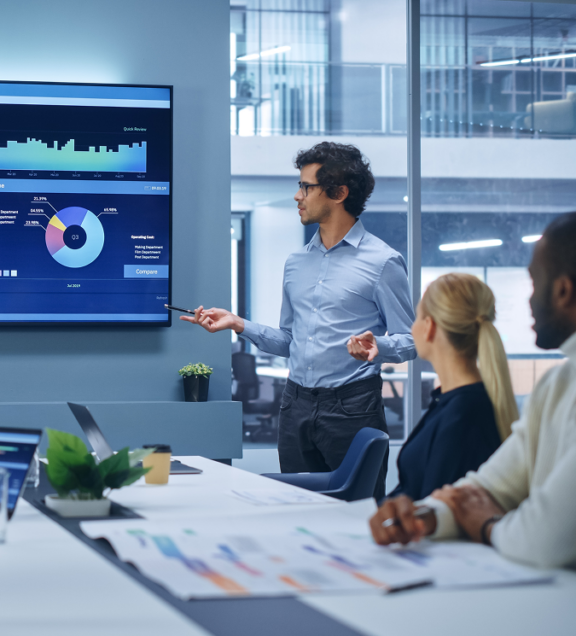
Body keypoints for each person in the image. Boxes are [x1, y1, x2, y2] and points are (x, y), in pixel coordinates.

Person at [183, 142, 415, 497]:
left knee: (355, 512)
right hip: (295, 405)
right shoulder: (296, 263)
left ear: (339, 193)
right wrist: (238, 323)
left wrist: (377, 346)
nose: (297, 196)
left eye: (306, 187)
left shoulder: (383, 262)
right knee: (295, 505)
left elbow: (411, 340)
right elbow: (289, 341)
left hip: (353, 407)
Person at [370, 212, 576, 569]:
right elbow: (486, 487)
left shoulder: (469, 411)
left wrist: (486, 525)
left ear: (562, 291)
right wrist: (423, 515)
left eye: (533, 281)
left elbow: (545, 538)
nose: (528, 301)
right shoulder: (557, 384)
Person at [386, 273, 518, 500]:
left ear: (429, 327)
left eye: (417, 318)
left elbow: (431, 511)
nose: (412, 328)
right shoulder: (456, 403)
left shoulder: (464, 417)